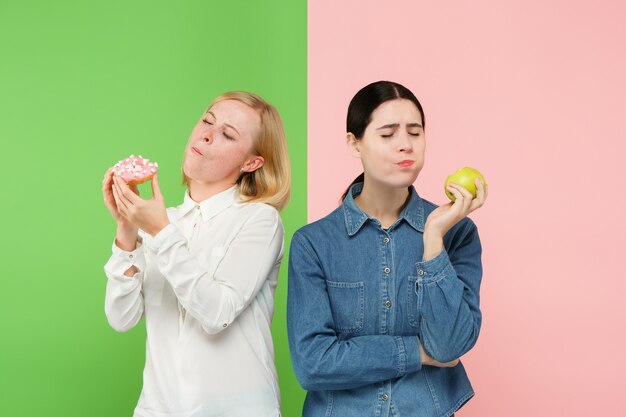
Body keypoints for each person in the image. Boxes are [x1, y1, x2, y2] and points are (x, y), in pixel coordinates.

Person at [287, 81, 487, 417]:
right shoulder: (313, 244)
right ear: (355, 143)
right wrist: (417, 353)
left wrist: (434, 238)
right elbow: (313, 364)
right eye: (388, 134)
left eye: (415, 132)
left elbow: (449, 345)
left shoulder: (458, 233)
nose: (405, 145)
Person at [102, 91, 291, 417]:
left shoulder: (260, 220)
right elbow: (121, 318)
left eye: (227, 134)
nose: (206, 134)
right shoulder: (164, 220)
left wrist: (160, 231)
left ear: (251, 162)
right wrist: (127, 231)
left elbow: (217, 313)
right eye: (207, 121)